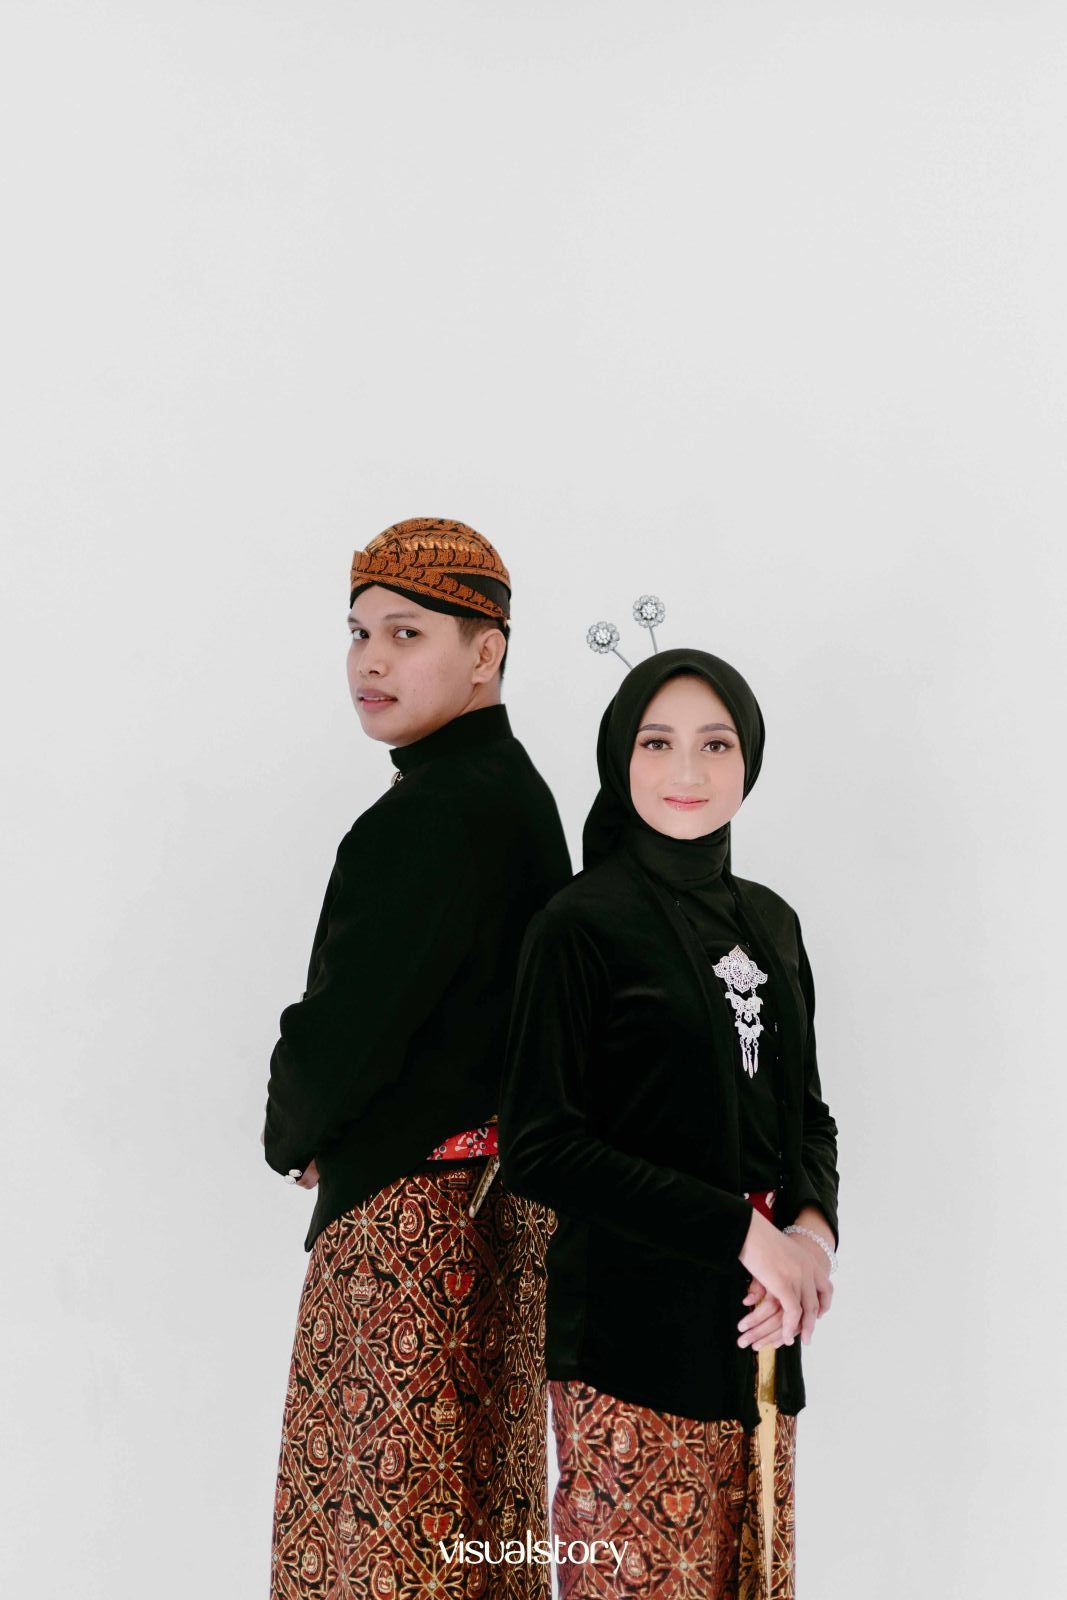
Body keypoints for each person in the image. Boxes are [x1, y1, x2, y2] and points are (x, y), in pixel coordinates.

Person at [263, 518, 572, 1599]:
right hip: (497, 1225)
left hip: (405, 1234)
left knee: (370, 1549)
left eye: (406, 633)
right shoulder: (516, 795)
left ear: (486, 652)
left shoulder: (429, 814)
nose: (371, 661)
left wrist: (297, 1135)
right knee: (474, 1535)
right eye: (357, 633)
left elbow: (343, 1030)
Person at [498, 646, 839, 1600]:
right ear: (620, 756)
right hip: (627, 1344)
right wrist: (744, 1234)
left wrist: (808, 1242)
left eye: (714, 743)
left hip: (758, 1338)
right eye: (657, 743)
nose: (686, 770)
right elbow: (541, 1147)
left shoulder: (772, 923)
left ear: (748, 758)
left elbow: (807, 1115)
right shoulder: (578, 925)